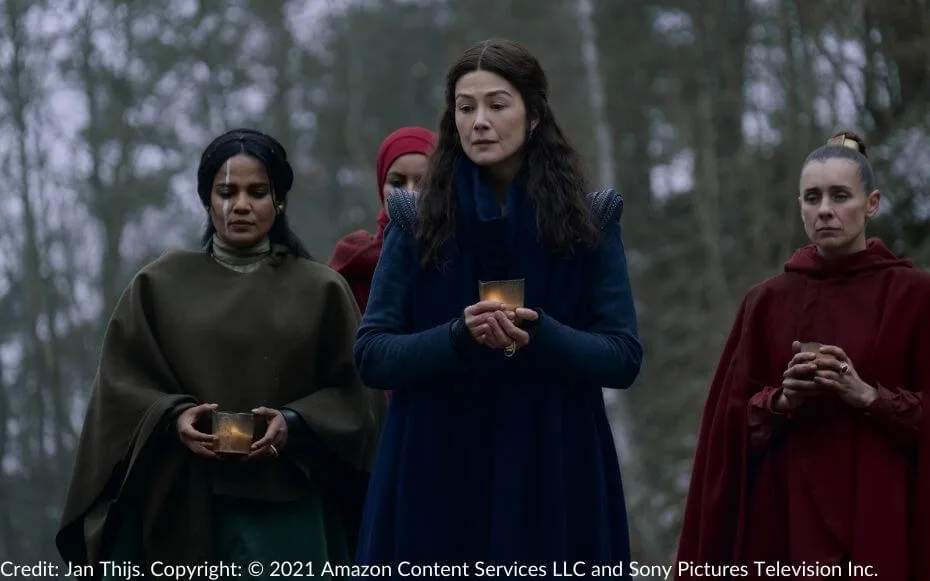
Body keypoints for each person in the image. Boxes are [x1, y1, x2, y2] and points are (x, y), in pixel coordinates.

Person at [352, 38, 643, 573]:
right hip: (434, 467)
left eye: (496, 104)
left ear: (533, 116)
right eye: (466, 108)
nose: (479, 121)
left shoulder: (589, 220)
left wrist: (542, 333)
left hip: (553, 464)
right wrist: (457, 336)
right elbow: (372, 353)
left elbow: (622, 356)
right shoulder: (414, 220)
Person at [55, 129, 385, 579]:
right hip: (181, 507)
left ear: (280, 200)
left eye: (257, 192)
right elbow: (119, 389)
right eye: (226, 191)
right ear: (207, 200)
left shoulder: (320, 289)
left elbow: (357, 395)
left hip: (289, 513)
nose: (241, 205)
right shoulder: (159, 285)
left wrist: (293, 422)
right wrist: (173, 419)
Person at [676, 131, 930, 581]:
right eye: (812, 197)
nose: (825, 210)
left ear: (871, 204)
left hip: (884, 510)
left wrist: (868, 395)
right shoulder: (767, 301)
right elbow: (727, 430)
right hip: (787, 518)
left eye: (840, 195)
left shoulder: (913, 296)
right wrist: (781, 401)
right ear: (799, 205)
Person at [329, 127, 436, 314]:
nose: (409, 192)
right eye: (397, 183)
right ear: (381, 186)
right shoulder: (353, 260)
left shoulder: (457, 256)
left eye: (422, 183)